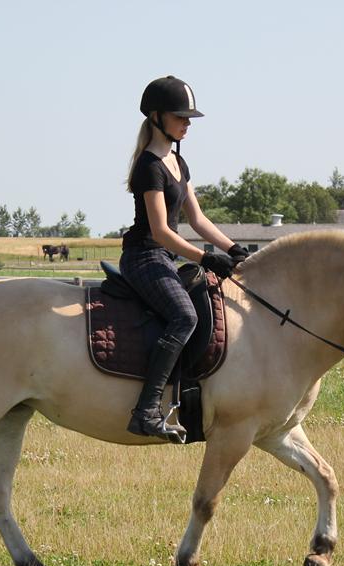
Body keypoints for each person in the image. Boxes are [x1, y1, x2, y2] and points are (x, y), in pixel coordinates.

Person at [120, 75, 249, 441]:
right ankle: (146, 411)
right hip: (144, 257)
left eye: (189, 118)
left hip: (163, 258)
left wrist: (233, 249)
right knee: (183, 315)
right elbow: (161, 230)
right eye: (181, 117)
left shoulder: (178, 161)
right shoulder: (149, 165)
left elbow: (197, 219)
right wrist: (206, 259)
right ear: (158, 117)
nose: (187, 124)